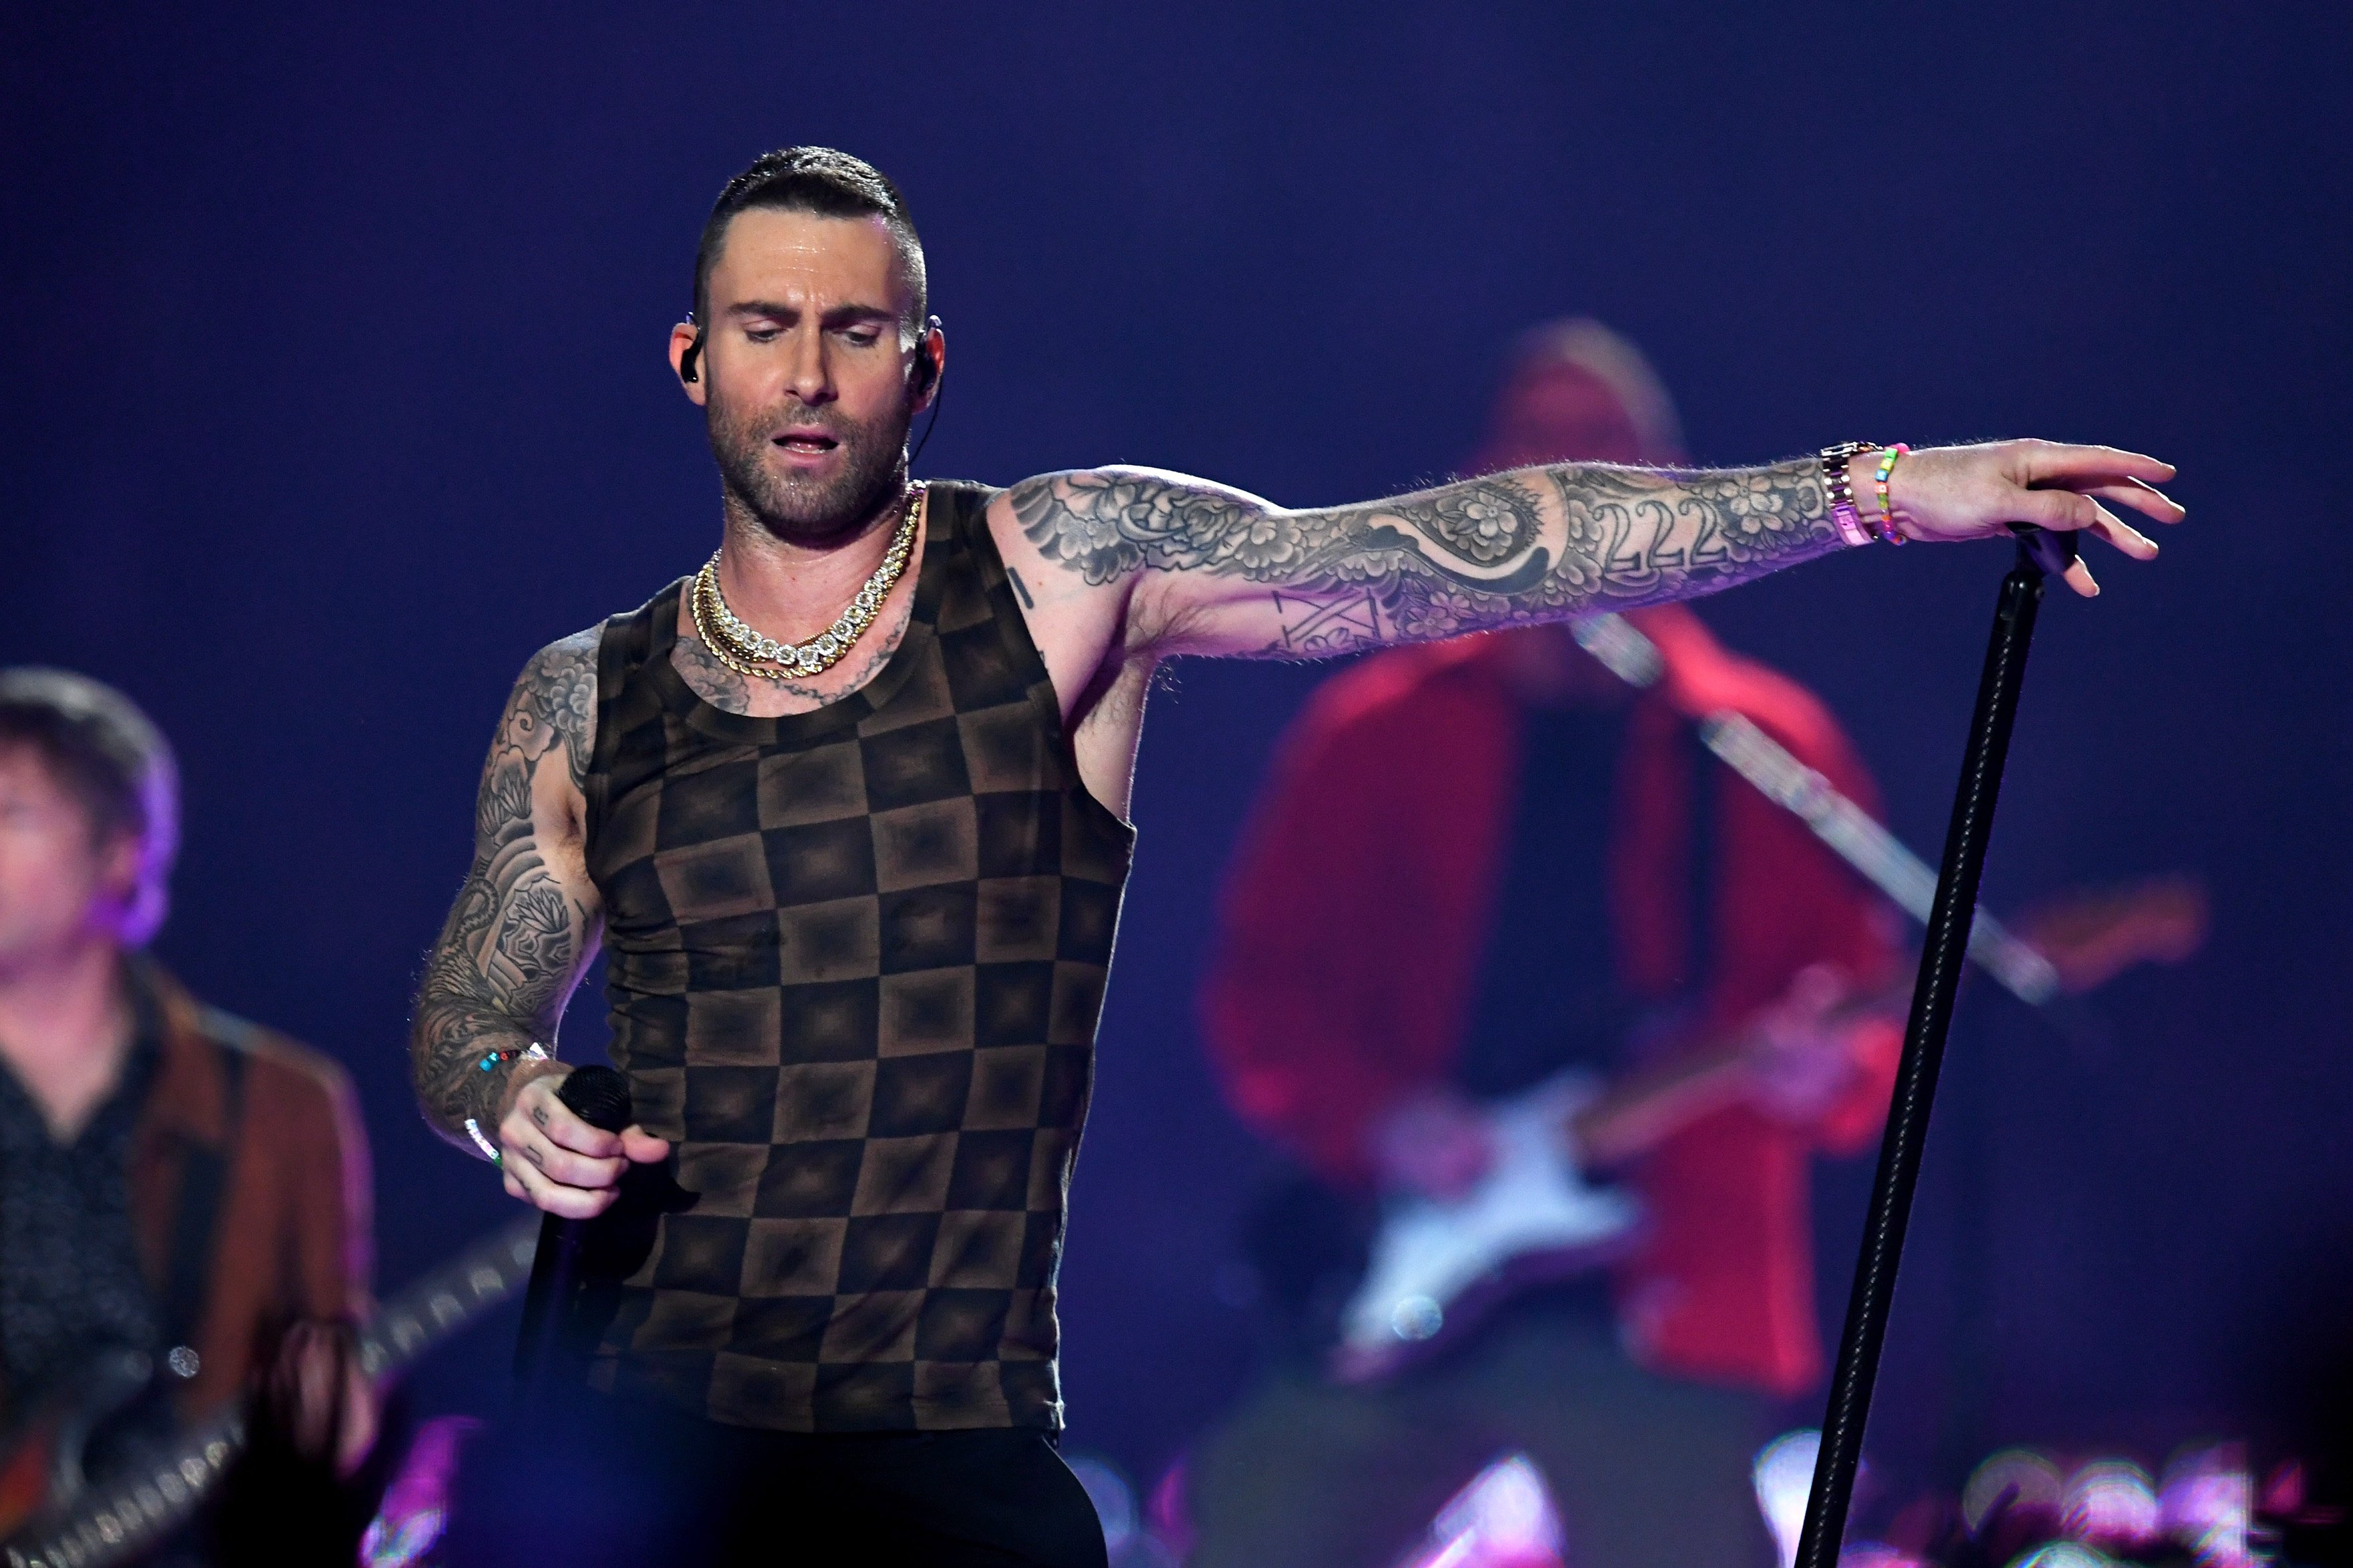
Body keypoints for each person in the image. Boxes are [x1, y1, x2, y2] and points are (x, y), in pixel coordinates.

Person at [405, 146, 2179, 1567]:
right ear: (690, 357)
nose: (805, 372)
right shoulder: (588, 691)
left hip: (939, 1425)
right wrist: (508, 1088)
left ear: (923, 364)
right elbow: (473, 1001)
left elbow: (1494, 538)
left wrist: (1867, 487)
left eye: (853, 329)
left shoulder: (1064, 579)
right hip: (624, 1420)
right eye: (762, 323)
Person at [1185, 321, 1909, 1568]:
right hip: (1411, 1268)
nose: (1571, 482)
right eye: (1540, 449)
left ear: (1677, 497)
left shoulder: (1766, 750)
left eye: (1603, 451)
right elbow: (1261, 1000)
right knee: (1252, 1524)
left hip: (1666, 1300)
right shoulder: (1372, 736)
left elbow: (1865, 1022)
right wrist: (1383, 1119)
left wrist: (1824, 1071)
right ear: (1475, 492)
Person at [0, 669, 376, 1565]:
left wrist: (334, 1426)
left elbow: (327, 1380)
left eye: (11, 816)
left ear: (120, 851)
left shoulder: (281, 1105)